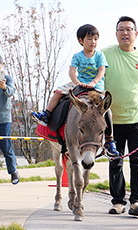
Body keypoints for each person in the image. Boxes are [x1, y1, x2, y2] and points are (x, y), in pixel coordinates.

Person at [31, 24, 118, 155]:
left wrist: (94, 82)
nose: (93, 42)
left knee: (107, 111)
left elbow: (101, 71)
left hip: (96, 86)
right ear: (80, 40)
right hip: (79, 83)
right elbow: (72, 71)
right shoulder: (77, 56)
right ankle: (46, 114)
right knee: (58, 92)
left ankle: (109, 140)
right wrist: (78, 83)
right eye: (89, 39)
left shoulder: (99, 56)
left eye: (95, 39)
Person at [102, 16, 138, 216]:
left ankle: (137, 202)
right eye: (121, 30)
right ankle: (118, 202)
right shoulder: (105, 54)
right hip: (112, 121)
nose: (125, 33)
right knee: (115, 162)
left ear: (136, 33)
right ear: (116, 33)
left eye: (129, 29)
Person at [0, 55, 20, 185]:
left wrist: (4, 87)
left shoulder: (7, 79)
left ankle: (13, 172)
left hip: (4, 119)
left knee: (6, 147)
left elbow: (12, 92)